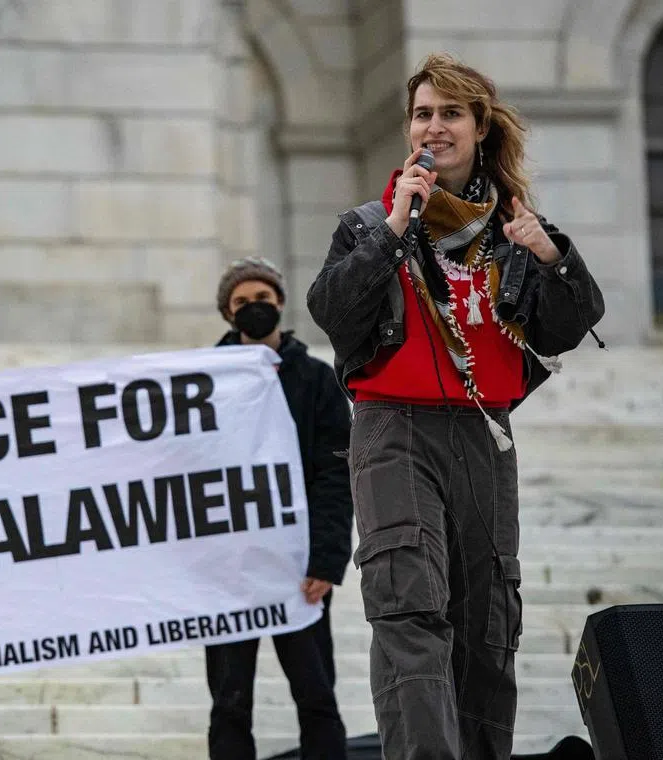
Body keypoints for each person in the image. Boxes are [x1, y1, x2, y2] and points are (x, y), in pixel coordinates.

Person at [306, 54, 605, 759]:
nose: (433, 126)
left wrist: (554, 257)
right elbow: (333, 312)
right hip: (393, 430)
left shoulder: (515, 226)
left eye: (450, 113)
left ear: (479, 127)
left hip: (483, 433)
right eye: (422, 113)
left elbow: (570, 324)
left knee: (489, 621)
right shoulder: (368, 223)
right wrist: (393, 229)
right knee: (408, 605)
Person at [206, 256, 353, 760]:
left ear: (281, 304)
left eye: (262, 300)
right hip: (230, 568)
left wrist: (327, 561)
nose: (253, 310)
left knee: (316, 696)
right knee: (228, 701)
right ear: (228, 313)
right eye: (241, 303)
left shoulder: (318, 381)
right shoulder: (199, 383)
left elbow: (336, 477)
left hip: (298, 566)